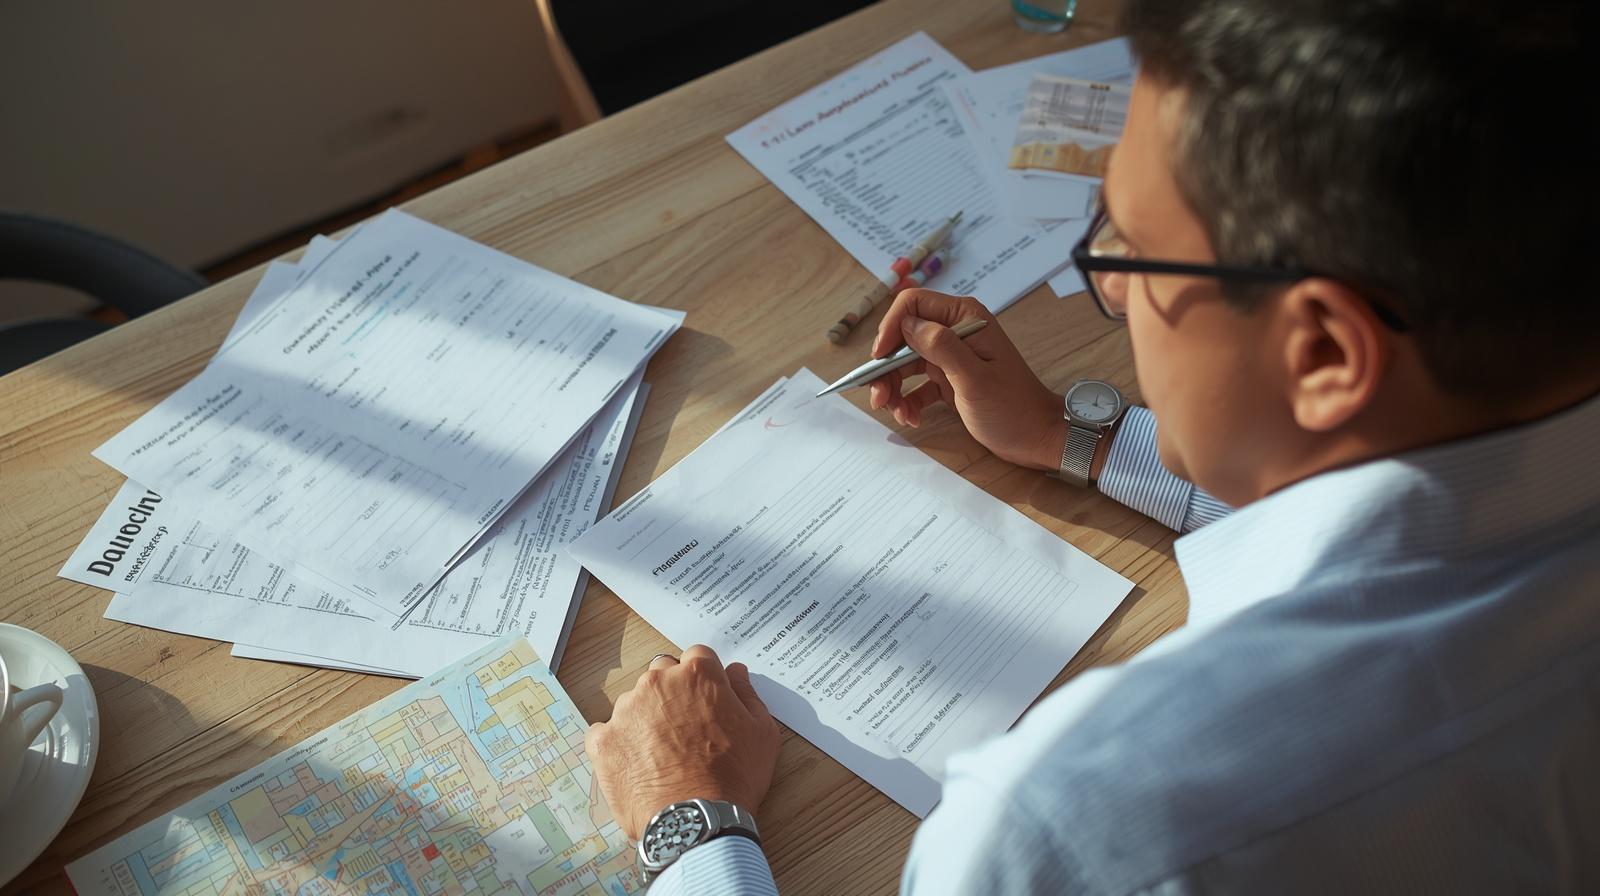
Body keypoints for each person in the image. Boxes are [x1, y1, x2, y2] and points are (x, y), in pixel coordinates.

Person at [584, 0, 1598, 890]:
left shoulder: (1069, 828)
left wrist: (691, 823)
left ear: (1324, 350)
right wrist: (1075, 434)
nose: (1107, 286)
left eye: (1126, 248)